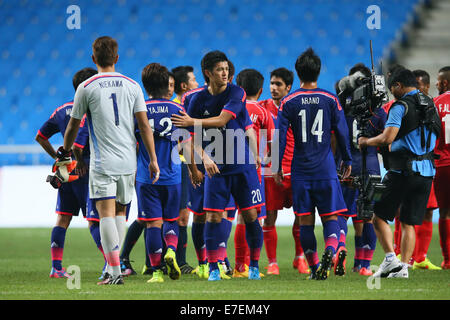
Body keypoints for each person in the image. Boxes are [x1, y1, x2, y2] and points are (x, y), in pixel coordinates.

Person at [60, 36, 160, 285]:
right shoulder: (132, 85)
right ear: (117, 58)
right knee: (120, 213)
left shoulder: (87, 86)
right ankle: (113, 269)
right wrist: (153, 159)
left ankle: (114, 271)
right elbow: (144, 126)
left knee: (105, 215)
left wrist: (65, 150)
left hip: (103, 162)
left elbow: (73, 125)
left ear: (93, 59)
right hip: (129, 161)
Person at [172, 50, 264, 281]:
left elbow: (223, 120)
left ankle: (253, 266)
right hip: (216, 169)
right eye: (220, 70)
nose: (225, 73)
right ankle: (213, 267)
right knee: (212, 217)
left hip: (242, 166)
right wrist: (203, 159)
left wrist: (256, 155)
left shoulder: (237, 92)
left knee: (251, 215)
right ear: (208, 73)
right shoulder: (196, 100)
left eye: (226, 69)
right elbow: (188, 138)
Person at [275, 48, 352, 280]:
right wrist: (347, 158)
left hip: (301, 170)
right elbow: (342, 131)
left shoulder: (288, 101)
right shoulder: (330, 99)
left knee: (305, 221)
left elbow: (280, 136)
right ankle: (331, 248)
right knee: (330, 217)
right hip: (326, 168)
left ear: (297, 73)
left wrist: (277, 166)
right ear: (319, 71)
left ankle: (316, 267)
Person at [358, 68, 440, 278]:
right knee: (408, 222)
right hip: (427, 172)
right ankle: (403, 268)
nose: (391, 92)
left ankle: (390, 260)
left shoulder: (400, 105)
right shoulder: (430, 103)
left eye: (392, 87)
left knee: (377, 216)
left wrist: (366, 141)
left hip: (401, 171)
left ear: (399, 86)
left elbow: (387, 138)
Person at [36, 67, 103, 279]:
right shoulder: (93, 108)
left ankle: (56, 267)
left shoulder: (61, 110)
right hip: (87, 166)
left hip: (66, 169)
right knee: (95, 219)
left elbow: (40, 136)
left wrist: (57, 157)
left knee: (63, 218)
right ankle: (112, 262)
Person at [136, 62, 187, 283]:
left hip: (147, 176)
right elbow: (186, 144)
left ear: (145, 85)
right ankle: (172, 251)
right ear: (167, 84)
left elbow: (132, 142)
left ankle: (156, 272)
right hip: (173, 175)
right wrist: (194, 170)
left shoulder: (139, 110)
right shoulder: (178, 109)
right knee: (171, 220)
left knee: (152, 224)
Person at [334, 63, 385, 276]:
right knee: (368, 216)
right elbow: (388, 140)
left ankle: (340, 248)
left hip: (346, 166)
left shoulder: (341, 108)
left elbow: (332, 138)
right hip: (371, 166)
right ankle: (362, 265)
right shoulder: (379, 110)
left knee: (340, 214)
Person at [259, 68, 309, 275]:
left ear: (288, 87)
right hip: (271, 171)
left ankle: (300, 258)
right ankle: (272, 263)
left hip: (295, 169)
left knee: (301, 215)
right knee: (270, 217)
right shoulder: (262, 108)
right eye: (272, 83)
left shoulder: (296, 107)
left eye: (278, 84)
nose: (273, 87)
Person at [234, 68, 275, 277]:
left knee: (230, 217)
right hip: (252, 171)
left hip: (229, 168)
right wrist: (266, 161)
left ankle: (236, 265)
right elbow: (272, 147)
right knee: (252, 218)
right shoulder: (263, 113)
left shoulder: (230, 108)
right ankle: (251, 266)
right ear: (260, 91)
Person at [172, 65, 199, 273]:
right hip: (177, 165)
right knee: (177, 216)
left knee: (182, 215)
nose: (197, 83)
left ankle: (176, 261)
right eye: (193, 80)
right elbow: (182, 141)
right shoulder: (176, 108)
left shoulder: (188, 106)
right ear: (184, 85)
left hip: (185, 164)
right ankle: (177, 261)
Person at [433, 66, 450, 269]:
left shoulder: (436, 103)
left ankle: (447, 260)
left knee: (444, 212)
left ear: (445, 83)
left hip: (443, 164)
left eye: (438, 81)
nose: (436, 84)